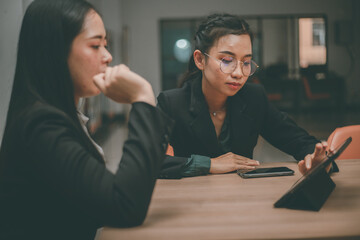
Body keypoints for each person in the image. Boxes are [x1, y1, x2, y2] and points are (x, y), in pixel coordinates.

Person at [0, 0, 172, 239]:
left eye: (106, 44)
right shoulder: (41, 123)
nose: (108, 56)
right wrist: (142, 97)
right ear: (55, 51)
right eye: (95, 46)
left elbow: (92, 198)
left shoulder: (59, 114)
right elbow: (124, 206)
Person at [157, 13, 336, 179]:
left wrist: (317, 160)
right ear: (200, 60)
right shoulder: (172, 103)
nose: (238, 73)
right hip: (192, 201)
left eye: (246, 62)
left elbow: (299, 140)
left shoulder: (253, 98)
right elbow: (148, 162)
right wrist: (210, 164)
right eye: (227, 61)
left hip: (242, 200)